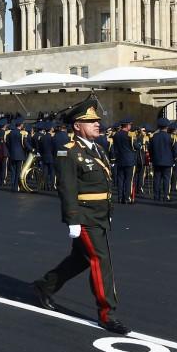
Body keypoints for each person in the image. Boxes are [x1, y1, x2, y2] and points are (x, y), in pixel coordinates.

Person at [32, 97, 129, 335]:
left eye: (97, 120)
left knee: (80, 259)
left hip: (99, 215)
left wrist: (107, 211)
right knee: (100, 260)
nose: (97, 124)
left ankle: (45, 286)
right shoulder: (68, 152)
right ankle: (107, 313)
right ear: (77, 126)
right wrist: (72, 219)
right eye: (90, 121)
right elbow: (66, 188)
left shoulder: (98, 149)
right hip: (84, 217)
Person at [149, 118, 175, 202]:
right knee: (166, 179)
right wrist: (174, 159)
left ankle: (156, 196)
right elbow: (174, 150)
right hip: (168, 161)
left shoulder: (154, 137)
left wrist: (152, 159)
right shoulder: (170, 137)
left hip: (156, 161)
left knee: (157, 179)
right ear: (167, 127)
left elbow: (150, 149)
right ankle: (166, 196)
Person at [112, 119, 137, 204]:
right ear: (127, 125)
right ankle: (127, 198)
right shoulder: (130, 135)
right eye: (130, 125)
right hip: (130, 160)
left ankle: (120, 197)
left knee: (120, 179)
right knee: (129, 180)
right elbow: (136, 146)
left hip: (120, 159)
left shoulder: (116, 135)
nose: (131, 126)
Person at [5, 118, 30, 192]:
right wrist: (32, 149)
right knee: (18, 171)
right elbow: (25, 144)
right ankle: (16, 186)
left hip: (12, 154)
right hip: (20, 155)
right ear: (21, 125)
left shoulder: (9, 134)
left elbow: (7, 143)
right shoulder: (22, 134)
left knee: (13, 171)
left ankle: (13, 185)